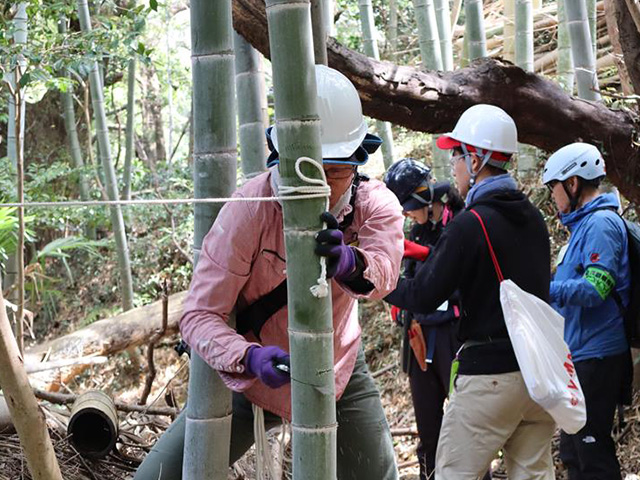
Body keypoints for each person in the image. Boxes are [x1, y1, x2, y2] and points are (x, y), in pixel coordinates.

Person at [134, 65, 404, 480]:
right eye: (306, 171)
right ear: (281, 157)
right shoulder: (249, 208)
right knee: (157, 476)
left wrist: (350, 262)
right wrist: (247, 356)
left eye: (333, 172)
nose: (321, 186)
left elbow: (383, 275)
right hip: (253, 374)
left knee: (378, 474)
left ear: (356, 161)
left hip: (336, 368)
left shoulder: (373, 203)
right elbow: (198, 315)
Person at [385, 104, 556, 479]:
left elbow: (424, 295)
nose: (453, 166)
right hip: (537, 376)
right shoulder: (534, 218)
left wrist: (373, 277)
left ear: (476, 160)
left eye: (457, 155)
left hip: (490, 378)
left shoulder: (470, 224)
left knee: (453, 473)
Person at [542, 142, 633, 480]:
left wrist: (544, 287)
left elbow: (597, 287)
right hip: (580, 352)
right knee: (573, 451)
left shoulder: (600, 225)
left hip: (599, 353)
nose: (553, 197)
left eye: (554, 188)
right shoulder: (582, 227)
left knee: (592, 451)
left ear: (573, 183)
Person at [384, 158, 465, 480]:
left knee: (465, 428)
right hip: (419, 336)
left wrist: (424, 256)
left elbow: (460, 279)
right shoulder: (419, 228)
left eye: (408, 207)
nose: (407, 215)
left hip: (454, 334)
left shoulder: (459, 222)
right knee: (428, 431)